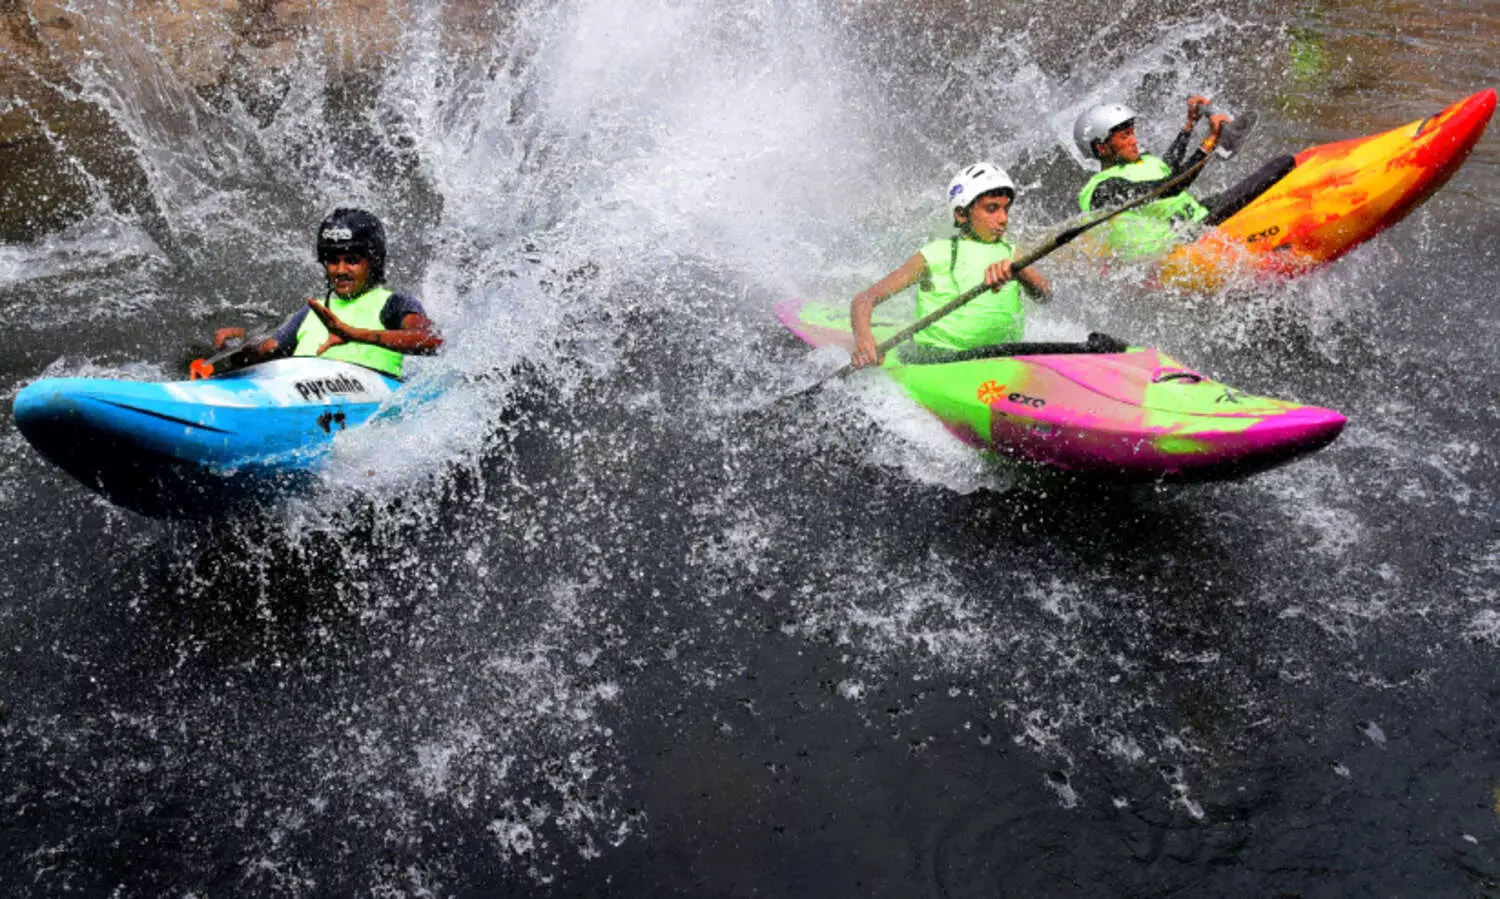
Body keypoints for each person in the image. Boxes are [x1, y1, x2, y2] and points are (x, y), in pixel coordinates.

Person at [850, 162, 1053, 369]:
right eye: (991, 209)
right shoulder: (935, 254)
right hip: (939, 360)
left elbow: (1045, 296)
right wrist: (864, 340)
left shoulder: (1011, 254)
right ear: (961, 214)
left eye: (1005, 209)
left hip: (1001, 359)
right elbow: (864, 299)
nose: (1003, 219)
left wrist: (1021, 272)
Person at [210, 208, 441, 378]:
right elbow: (266, 351)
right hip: (299, 395)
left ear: (374, 263)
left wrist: (355, 334)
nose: (340, 270)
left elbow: (431, 340)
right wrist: (239, 344)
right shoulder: (312, 311)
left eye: (352, 260)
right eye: (333, 261)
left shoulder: (394, 304)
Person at [1073, 96, 1296, 259]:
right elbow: (1170, 187)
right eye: (1125, 137)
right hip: (1180, 241)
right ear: (1102, 148)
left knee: (1279, 171)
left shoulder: (1137, 162)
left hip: (1196, 218)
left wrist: (1189, 125)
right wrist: (1211, 142)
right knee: (1282, 164)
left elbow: (1168, 170)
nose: (1134, 141)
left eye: (1132, 133)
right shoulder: (1105, 189)